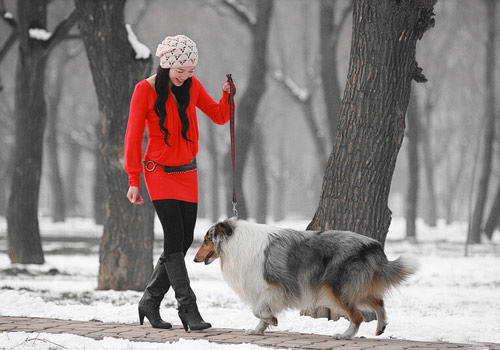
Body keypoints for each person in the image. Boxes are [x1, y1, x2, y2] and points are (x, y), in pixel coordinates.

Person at [123, 34, 234, 331]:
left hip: (187, 172)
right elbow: (133, 137)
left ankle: (150, 300)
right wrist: (133, 179)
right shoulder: (144, 90)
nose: (185, 77)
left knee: (184, 240)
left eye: (190, 71)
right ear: (166, 65)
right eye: (179, 71)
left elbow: (220, 116)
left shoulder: (193, 87)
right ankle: (188, 308)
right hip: (157, 171)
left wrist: (226, 95)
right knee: (174, 238)